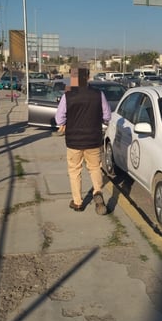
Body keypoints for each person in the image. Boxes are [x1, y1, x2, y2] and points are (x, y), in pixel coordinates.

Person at [55, 69, 111, 214]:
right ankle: (97, 192)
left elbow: (59, 119)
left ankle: (78, 202)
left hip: (74, 141)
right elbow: (107, 116)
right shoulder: (99, 94)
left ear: (73, 79)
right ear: (88, 77)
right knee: (95, 168)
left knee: (75, 170)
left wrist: (67, 123)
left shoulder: (67, 96)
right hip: (93, 139)